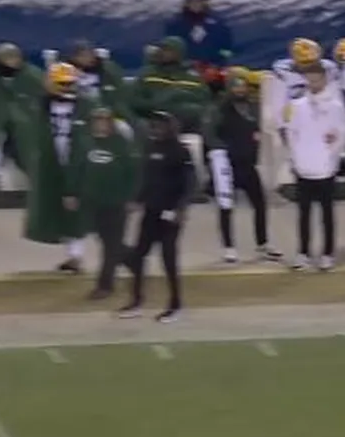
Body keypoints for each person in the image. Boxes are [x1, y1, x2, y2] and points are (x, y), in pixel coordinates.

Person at [120, 111, 195, 322]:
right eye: (155, 125)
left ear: (171, 127)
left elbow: (190, 183)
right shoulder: (151, 148)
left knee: (168, 259)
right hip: (151, 212)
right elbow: (147, 180)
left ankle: (175, 305)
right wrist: (136, 200)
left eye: (161, 125)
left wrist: (181, 209)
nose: (157, 129)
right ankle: (136, 301)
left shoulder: (180, 151)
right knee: (138, 256)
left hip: (170, 213)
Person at [23, 63, 92, 274]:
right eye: (62, 83)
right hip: (51, 159)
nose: (67, 87)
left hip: (76, 158)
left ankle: (77, 256)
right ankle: (73, 254)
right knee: (58, 206)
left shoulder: (86, 105)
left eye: (70, 83)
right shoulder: (39, 105)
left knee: (76, 207)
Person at [211, 70, 283, 263]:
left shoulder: (252, 107)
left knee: (260, 204)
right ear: (229, 88)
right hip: (229, 165)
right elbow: (210, 133)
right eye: (236, 87)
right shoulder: (220, 109)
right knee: (226, 206)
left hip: (249, 165)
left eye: (242, 86)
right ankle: (229, 247)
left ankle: (263, 244)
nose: (240, 90)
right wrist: (223, 151)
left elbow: (257, 131)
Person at [286, 62, 345, 271]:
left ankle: (327, 253)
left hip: (325, 168)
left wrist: (332, 156)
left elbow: (343, 133)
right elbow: (291, 133)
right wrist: (295, 158)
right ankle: (303, 252)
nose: (313, 84)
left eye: (317, 79)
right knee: (303, 214)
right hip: (303, 167)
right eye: (310, 80)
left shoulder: (335, 107)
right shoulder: (297, 106)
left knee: (327, 214)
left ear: (324, 79)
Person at [71, 107, 139, 300]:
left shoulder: (121, 144)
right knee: (108, 241)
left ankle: (105, 285)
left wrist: (132, 197)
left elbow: (133, 173)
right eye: (97, 120)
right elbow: (76, 168)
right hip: (93, 202)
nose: (100, 124)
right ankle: (135, 260)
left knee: (110, 245)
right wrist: (71, 192)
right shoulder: (85, 142)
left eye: (104, 120)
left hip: (116, 202)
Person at [0, 42, 45, 190]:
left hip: (24, 118)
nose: (14, 60)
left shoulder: (31, 73)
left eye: (16, 56)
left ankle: (37, 178)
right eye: (8, 57)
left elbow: (47, 91)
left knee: (26, 141)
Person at [130, 36, 212, 137]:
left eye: (167, 49)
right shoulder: (148, 74)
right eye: (161, 49)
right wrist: (158, 105)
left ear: (179, 53)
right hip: (158, 119)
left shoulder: (193, 77)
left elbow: (205, 101)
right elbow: (135, 101)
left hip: (191, 121)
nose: (162, 52)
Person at [163, 0, 233, 76]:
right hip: (184, 71)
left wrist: (220, 65)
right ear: (186, 3)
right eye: (192, 2)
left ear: (203, 1)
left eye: (198, 1)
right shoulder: (175, 24)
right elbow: (170, 48)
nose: (196, 4)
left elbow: (226, 47)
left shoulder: (217, 22)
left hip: (212, 70)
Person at [67, 40, 134, 125]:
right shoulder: (65, 72)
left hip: (108, 113)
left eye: (91, 54)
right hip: (79, 115)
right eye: (84, 55)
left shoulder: (107, 69)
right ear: (74, 57)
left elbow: (120, 94)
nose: (90, 58)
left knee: (123, 127)